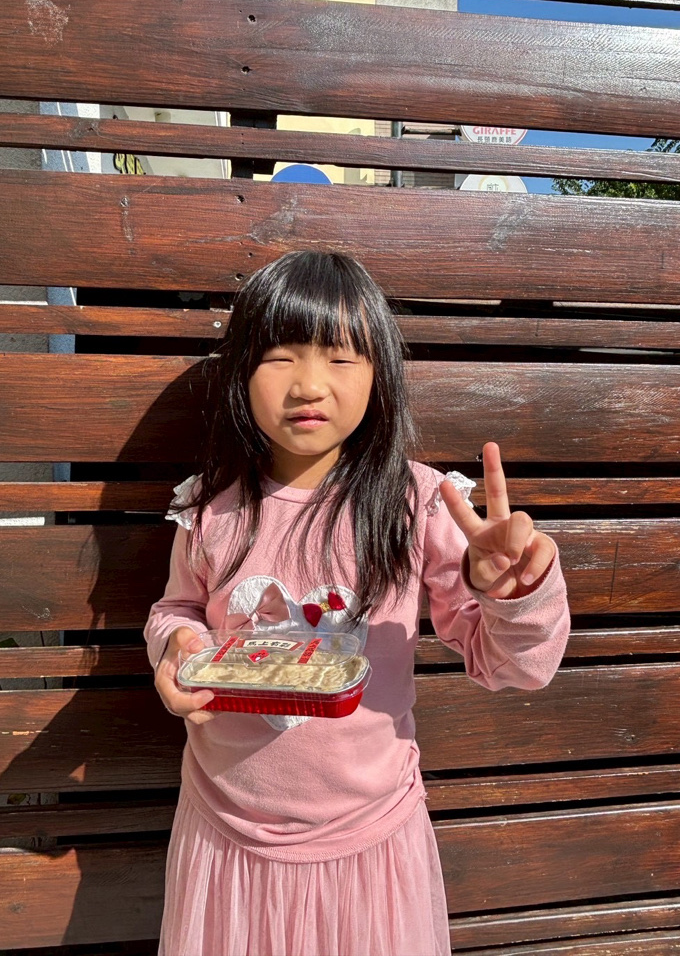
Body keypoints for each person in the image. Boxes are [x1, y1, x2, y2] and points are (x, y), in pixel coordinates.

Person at [144, 250, 570, 956]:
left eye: (342, 358)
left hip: (370, 843)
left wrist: (516, 595)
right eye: (279, 357)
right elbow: (176, 609)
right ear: (241, 372)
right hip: (225, 836)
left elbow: (514, 667)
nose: (309, 384)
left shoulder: (417, 504)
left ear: (380, 375)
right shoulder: (210, 505)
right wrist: (178, 649)